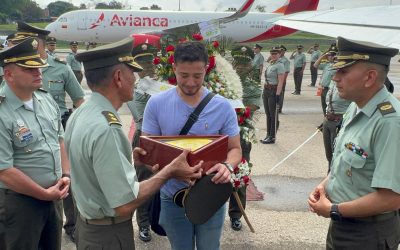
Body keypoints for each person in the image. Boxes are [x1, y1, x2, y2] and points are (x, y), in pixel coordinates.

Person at [64, 37, 202, 250]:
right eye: (132, 74)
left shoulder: (82, 113)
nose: (136, 80)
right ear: (119, 77)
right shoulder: (106, 127)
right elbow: (124, 204)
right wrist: (169, 172)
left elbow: (96, 170)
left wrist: (130, 162)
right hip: (108, 236)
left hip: (89, 227)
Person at [142, 41, 242, 249]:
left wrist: (227, 166)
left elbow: (235, 149)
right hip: (172, 196)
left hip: (209, 196)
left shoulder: (222, 107)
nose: (190, 82)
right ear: (174, 68)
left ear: (206, 69)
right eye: (183, 75)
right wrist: (171, 172)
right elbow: (149, 154)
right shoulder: (156, 104)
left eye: (197, 76)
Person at [308, 37, 400, 250]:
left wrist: (333, 210)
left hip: (367, 234)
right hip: (344, 223)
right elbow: (343, 160)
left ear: (369, 77)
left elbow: (392, 198)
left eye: (343, 72)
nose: (335, 78)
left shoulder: (390, 122)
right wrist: (324, 185)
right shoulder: (356, 106)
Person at [15, 21, 85, 243]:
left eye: (33, 46)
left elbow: (79, 99)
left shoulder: (60, 67)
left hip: (58, 130)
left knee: (65, 179)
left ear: (43, 47)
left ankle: (71, 223)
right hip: (19, 134)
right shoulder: (8, 69)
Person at [0, 37, 70, 250]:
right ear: (8, 74)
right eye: (29, 69)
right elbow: (4, 171)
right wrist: (44, 194)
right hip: (20, 203)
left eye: (39, 67)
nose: (38, 72)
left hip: (54, 196)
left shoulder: (45, 99)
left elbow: (60, 138)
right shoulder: (3, 110)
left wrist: (66, 175)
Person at [126, 42, 158, 242]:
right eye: (143, 63)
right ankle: (144, 224)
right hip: (145, 137)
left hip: (165, 136)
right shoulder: (137, 89)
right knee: (145, 183)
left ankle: (160, 220)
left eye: (150, 62)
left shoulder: (162, 84)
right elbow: (140, 115)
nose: (148, 67)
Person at [230, 45, 260, 231]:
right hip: (221, 136)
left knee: (239, 175)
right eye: (237, 62)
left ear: (250, 64)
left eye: (244, 62)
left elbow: (248, 110)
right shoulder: (222, 82)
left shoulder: (253, 87)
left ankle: (235, 214)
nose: (240, 66)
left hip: (242, 135)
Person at [260, 47, 285, 144]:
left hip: (273, 92)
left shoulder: (280, 65)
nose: (273, 55)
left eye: (276, 53)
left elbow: (281, 82)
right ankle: (268, 134)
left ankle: (272, 136)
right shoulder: (271, 64)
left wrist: (278, 95)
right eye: (272, 53)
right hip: (266, 90)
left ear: (279, 54)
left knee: (273, 115)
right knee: (268, 114)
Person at [313, 43, 338, 115]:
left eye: (333, 55)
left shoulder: (337, 66)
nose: (330, 57)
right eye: (330, 55)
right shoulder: (327, 65)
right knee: (324, 106)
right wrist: (323, 56)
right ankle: (325, 121)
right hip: (323, 89)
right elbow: (315, 65)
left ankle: (329, 122)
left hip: (330, 89)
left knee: (329, 107)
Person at [278, 45, 290, 113]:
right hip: (275, 81)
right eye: (279, 50)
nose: (280, 52)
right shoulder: (276, 59)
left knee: (280, 95)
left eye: (282, 50)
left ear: (284, 51)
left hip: (281, 81)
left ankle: (279, 109)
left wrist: (282, 82)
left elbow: (286, 72)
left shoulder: (286, 61)